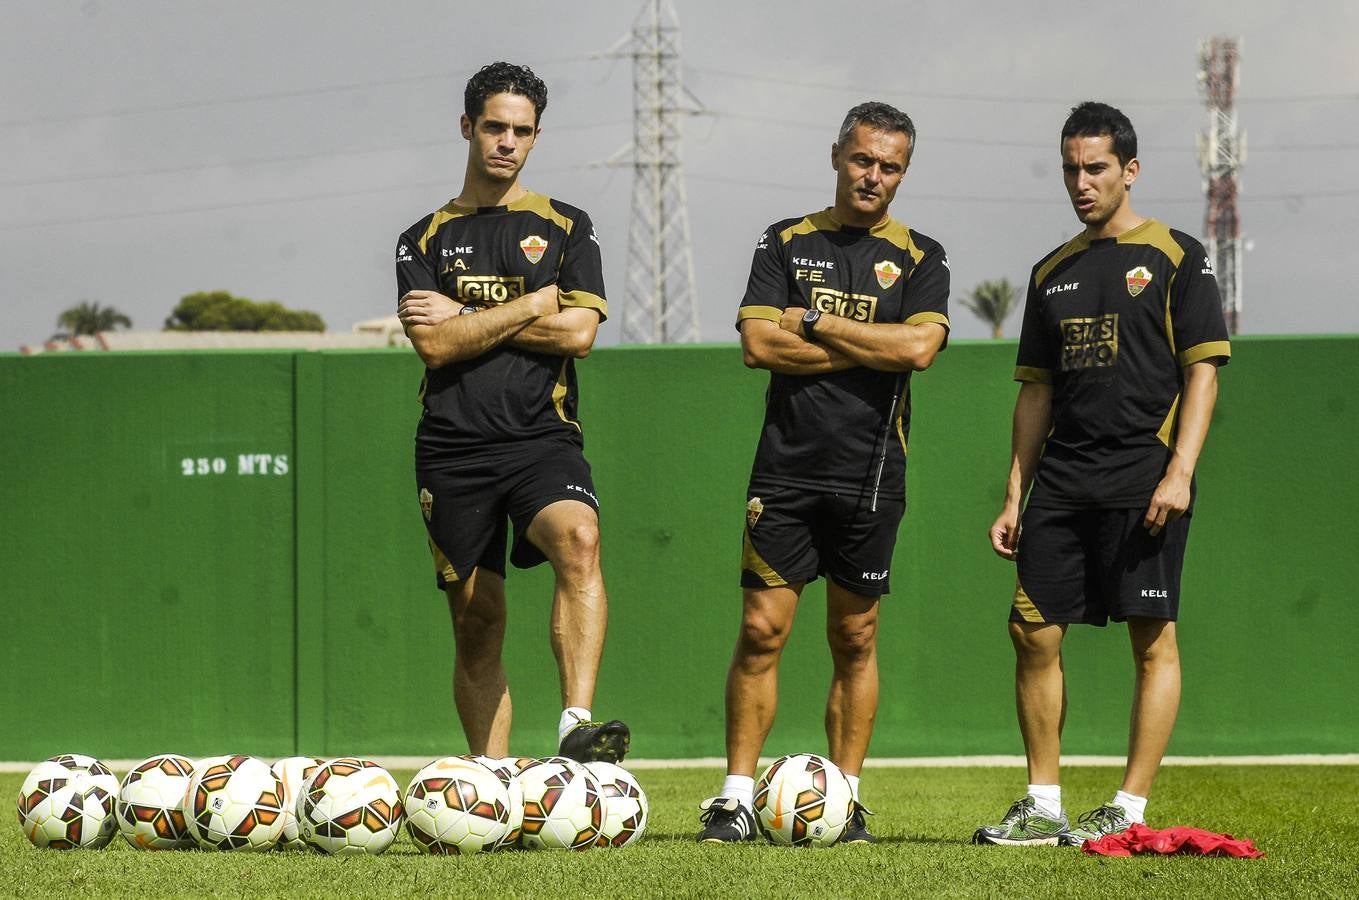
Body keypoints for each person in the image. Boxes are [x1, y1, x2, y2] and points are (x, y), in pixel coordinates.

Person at [973, 101, 1230, 847]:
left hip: (1145, 478)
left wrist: (1179, 471)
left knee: (1151, 640)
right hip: (1062, 483)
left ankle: (1128, 805)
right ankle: (1042, 803)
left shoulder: (1177, 256)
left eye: (1094, 168)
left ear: (1129, 171)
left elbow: (1203, 371)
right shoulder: (1050, 272)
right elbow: (1035, 392)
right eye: (1069, 169)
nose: (1079, 183)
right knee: (1031, 634)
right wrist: (1014, 494)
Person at [696, 102, 951, 845]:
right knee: (760, 630)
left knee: (855, 636)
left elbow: (917, 353)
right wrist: (871, 342)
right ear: (836, 154)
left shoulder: (921, 257)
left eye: (890, 166)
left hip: (872, 476)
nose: (874, 176)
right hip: (785, 471)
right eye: (863, 160)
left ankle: (843, 800)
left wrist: (814, 322)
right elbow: (755, 343)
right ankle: (735, 798)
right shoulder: (783, 240)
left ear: (902, 171)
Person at [394, 62, 628, 764]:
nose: (506, 143)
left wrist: (468, 311)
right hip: (453, 447)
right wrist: (532, 303)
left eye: (521, 131)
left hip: (540, 437)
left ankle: (575, 726)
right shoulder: (421, 239)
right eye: (494, 127)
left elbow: (580, 334)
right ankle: (490, 782)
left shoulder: (566, 226)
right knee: (477, 621)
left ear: (535, 137)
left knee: (579, 540)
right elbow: (435, 346)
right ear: (467, 127)